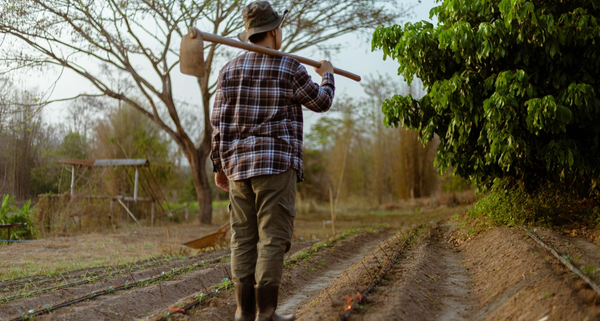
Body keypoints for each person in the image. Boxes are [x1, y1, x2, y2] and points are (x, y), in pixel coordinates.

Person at [210, 1, 335, 320]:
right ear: (274, 32)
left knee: (242, 239)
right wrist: (328, 75)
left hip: (237, 168)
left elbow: (218, 123)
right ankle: (266, 314)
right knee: (272, 237)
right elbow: (321, 102)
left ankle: (243, 313)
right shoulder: (290, 68)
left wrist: (218, 166)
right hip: (275, 166)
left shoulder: (228, 70)